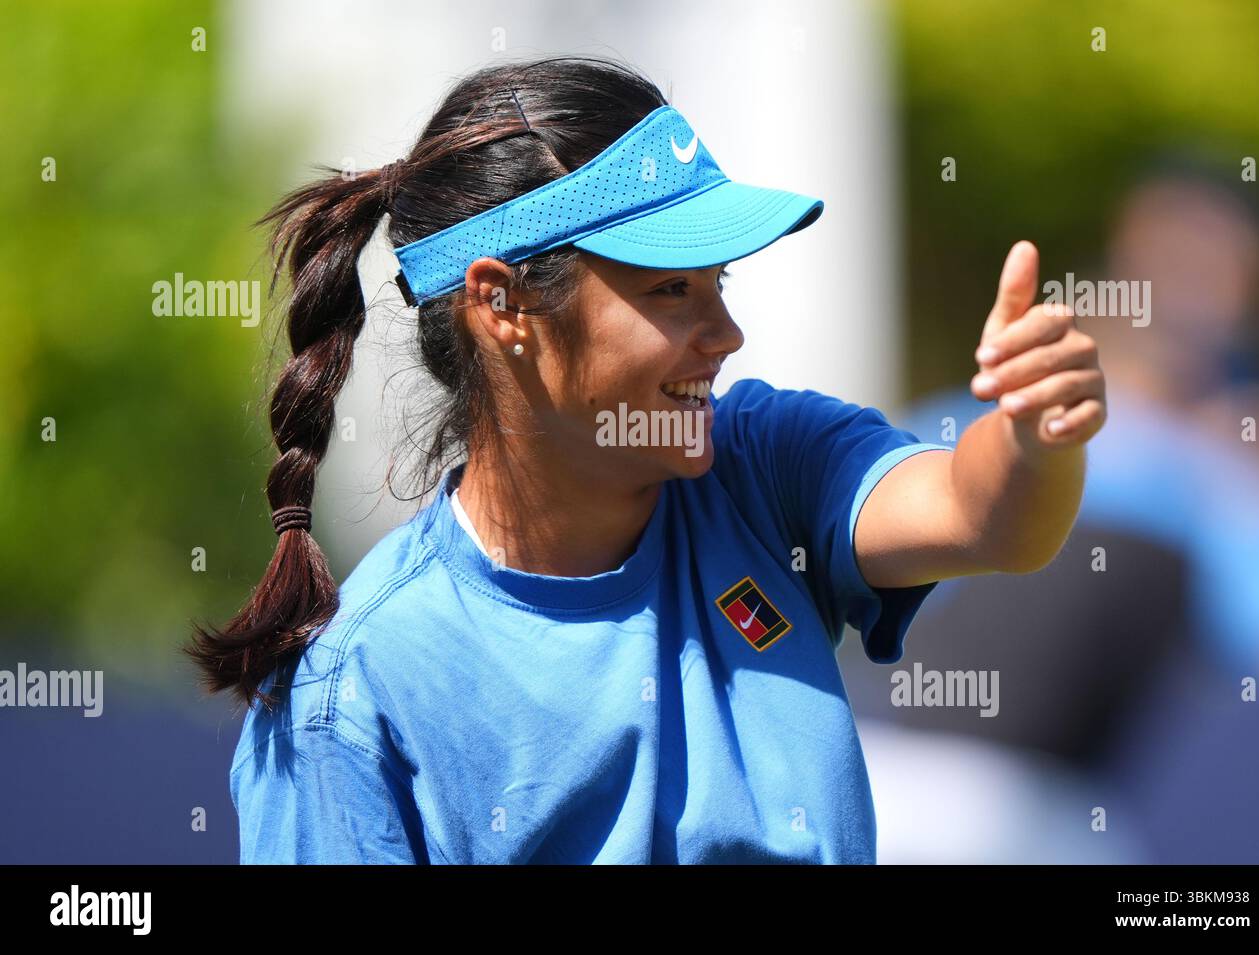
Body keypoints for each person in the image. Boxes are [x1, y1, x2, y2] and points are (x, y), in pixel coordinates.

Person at [187, 56, 1107, 864]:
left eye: (721, 284)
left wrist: (1035, 433)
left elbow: (986, 516)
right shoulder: (355, 694)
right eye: (670, 289)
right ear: (501, 305)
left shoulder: (763, 465)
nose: (725, 333)